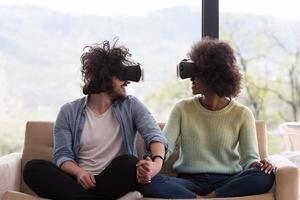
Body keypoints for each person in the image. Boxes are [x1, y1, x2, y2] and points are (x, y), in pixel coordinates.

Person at [23, 39, 167, 200]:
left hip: (114, 180)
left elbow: (154, 136)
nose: (126, 81)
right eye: (121, 76)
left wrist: (156, 164)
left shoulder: (132, 105)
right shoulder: (68, 111)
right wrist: (79, 173)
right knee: (33, 168)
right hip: (80, 180)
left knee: (128, 163)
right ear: (105, 78)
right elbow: (62, 156)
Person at [139, 37, 275, 199]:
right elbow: (164, 146)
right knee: (146, 182)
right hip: (189, 182)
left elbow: (249, 159)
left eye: (196, 72)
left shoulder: (242, 114)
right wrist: (152, 164)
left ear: (213, 74)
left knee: (264, 176)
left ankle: (208, 196)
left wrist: (260, 166)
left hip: (228, 180)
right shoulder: (182, 108)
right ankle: (201, 198)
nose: (191, 78)